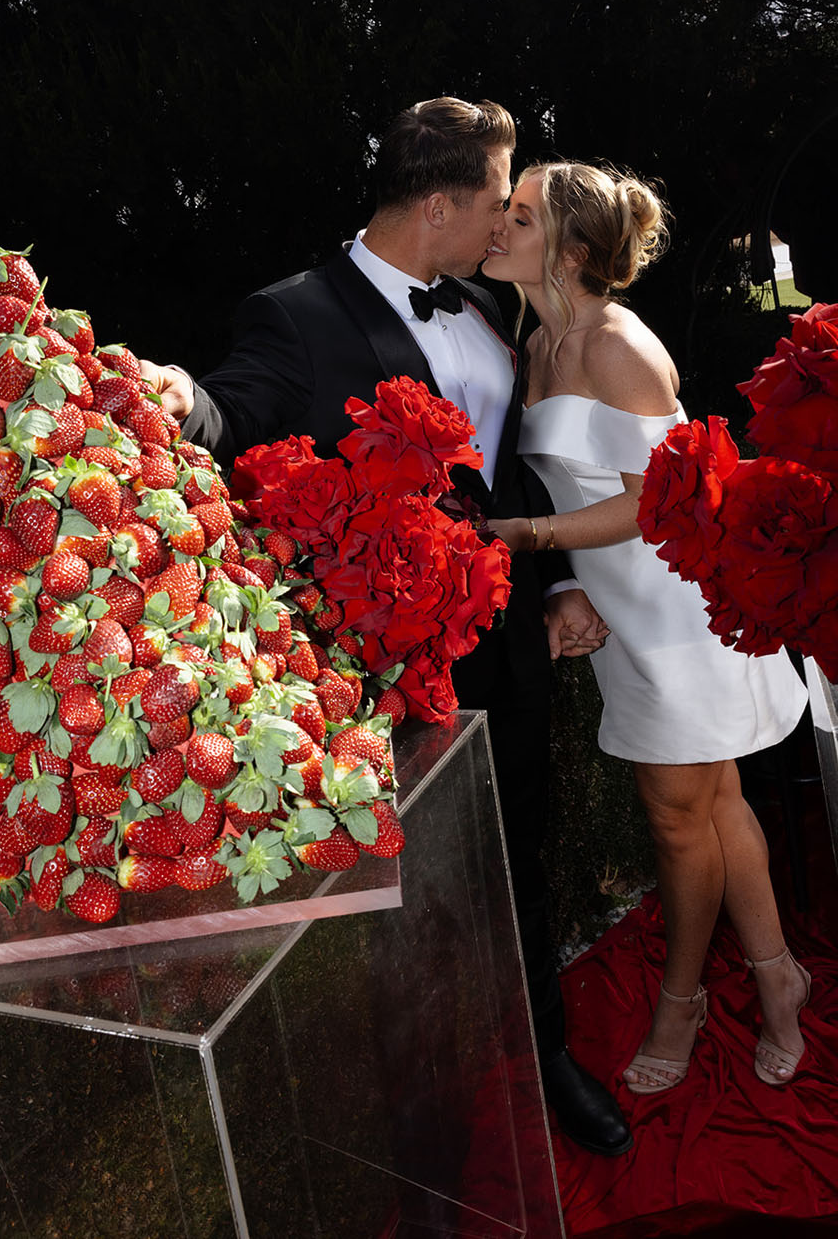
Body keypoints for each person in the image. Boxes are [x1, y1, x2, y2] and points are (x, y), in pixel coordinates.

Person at [142, 97, 634, 1157]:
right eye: (499, 202)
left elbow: (513, 468)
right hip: (385, 668)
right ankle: (425, 1121)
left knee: (523, 857)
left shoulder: (487, 308)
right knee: (408, 901)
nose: (507, 221)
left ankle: (544, 1055)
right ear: (443, 206)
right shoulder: (294, 313)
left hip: (508, 641)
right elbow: (237, 406)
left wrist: (554, 585)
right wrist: (177, 392)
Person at [484, 161, 811, 1093]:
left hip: (676, 605)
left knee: (676, 821)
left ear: (572, 248)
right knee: (712, 802)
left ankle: (683, 997)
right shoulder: (533, 339)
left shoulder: (617, 344)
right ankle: (777, 975)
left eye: (521, 215)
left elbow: (662, 500)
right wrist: (561, 574)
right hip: (618, 609)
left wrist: (531, 537)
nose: (499, 226)